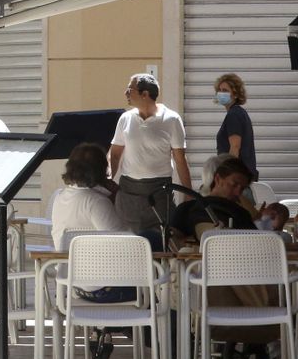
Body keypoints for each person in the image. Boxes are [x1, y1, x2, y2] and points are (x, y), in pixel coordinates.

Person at [109, 73, 192, 237]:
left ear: (145, 94)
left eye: (130, 89)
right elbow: (115, 154)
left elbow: (180, 159)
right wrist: (107, 179)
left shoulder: (172, 119)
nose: (126, 93)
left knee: (160, 244)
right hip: (129, 193)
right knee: (128, 244)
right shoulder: (125, 118)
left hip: (159, 194)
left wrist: (188, 193)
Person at [49, 143, 127, 251]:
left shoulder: (59, 197)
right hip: (98, 266)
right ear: (102, 169)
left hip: (66, 265)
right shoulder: (97, 202)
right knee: (150, 237)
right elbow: (123, 242)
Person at [213, 72, 257, 176]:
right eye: (219, 90)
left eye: (225, 90)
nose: (221, 93)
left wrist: (228, 174)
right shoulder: (239, 113)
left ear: (236, 94)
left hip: (237, 177)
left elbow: (235, 146)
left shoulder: (234, 115)